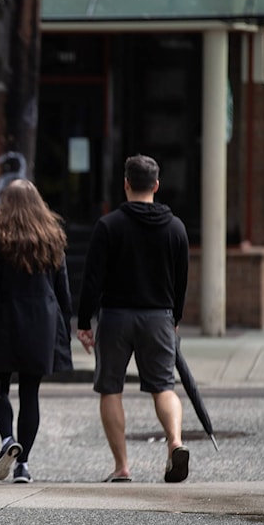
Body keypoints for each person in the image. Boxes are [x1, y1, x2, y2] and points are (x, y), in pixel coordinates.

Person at [75, 154, 191, 484]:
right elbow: (181, 280)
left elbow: (92, 279)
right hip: (158, 317)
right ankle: (175, 443)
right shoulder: (176, 228)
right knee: (164, 387)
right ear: (156, 185)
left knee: (110, 389)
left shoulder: (109, 226)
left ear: (125, 184)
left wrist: (84, 322)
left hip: (115, 318)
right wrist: (175, 317)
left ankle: (122, 467)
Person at [0, 179, 73, 484]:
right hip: (43, 325)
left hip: (5, 325)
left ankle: (7, 440)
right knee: (31, 393)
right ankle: (23, 465)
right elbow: (63, 292)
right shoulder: (53, 240)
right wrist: (64, 330)